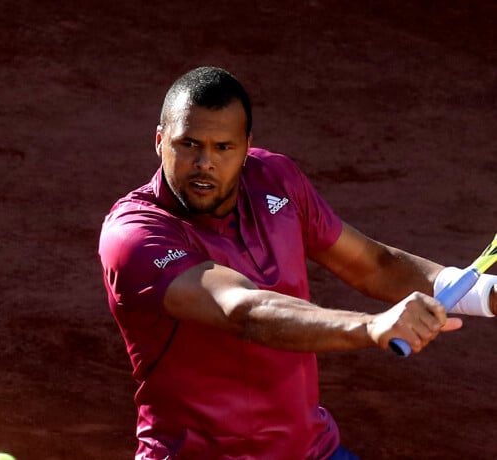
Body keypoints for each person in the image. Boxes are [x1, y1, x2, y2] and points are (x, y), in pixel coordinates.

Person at [98, 66, 497, 459]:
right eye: (189, 144)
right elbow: (244, 311)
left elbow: (373, 264)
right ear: (159, 140)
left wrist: (486, 294)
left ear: (246, 145)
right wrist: (371, 326)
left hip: (311, 452)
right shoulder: (135, 234)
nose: (205, 162)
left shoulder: (276, 180)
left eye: (224, 147)